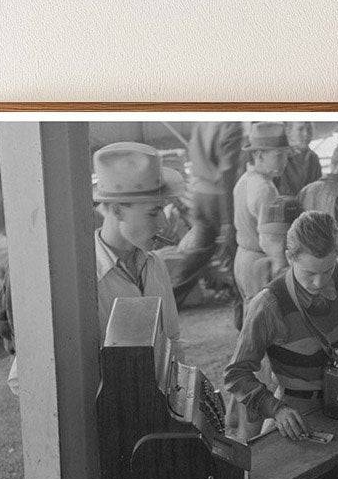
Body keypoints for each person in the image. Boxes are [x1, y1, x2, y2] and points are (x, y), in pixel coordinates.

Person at [223, 211, 338, 440]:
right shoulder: (269, 305)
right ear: (290, 258)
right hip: (298, 414)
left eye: (327, 270)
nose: (320, 283)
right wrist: (276, 409)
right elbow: (236, 374)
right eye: (310, 273)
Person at [92, 141, 185, 343]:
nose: (163, 223)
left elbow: (172, 341)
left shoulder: (155, 265)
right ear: (117, 210)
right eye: (153, 213)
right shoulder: (86, 281)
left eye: (162, 209)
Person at [174, 121, 244, 298]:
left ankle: (171, 293)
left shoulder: (202, 123)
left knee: (198, 254)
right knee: (235, 251)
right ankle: (243, 307)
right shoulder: (232, 125)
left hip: (199, 195)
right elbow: (227, 173)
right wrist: (228, 220)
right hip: (218, 199)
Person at [232, 121, 290, 328]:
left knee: (253, 315)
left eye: (285, 154)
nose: (284, 161)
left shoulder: (245, 180)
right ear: (259, 155)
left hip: (243, 258)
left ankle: (248, 358)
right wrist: (280, 265)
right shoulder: (265, 189)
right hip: (259, 262)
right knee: (264, 322)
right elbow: (270, 238)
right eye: (278, 155)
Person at [278, 120, 322, 196]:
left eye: (309, 129)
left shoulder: (313, 158)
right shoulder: (280, 157)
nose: (306, 134)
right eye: (300, 129)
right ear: (288, 132)